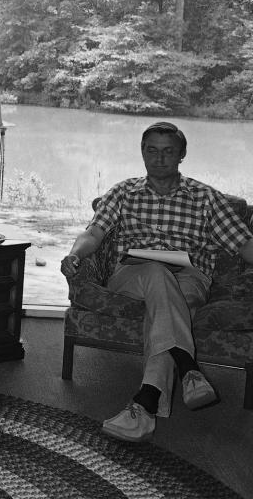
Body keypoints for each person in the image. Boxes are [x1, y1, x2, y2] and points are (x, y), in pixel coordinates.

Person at [60, 121, 253, 442]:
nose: (159, 159)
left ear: (182, 155)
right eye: (152, 151)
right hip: (131, 274)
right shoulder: (124, 192)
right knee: (155, 272)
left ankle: (146, 403)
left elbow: (244, 245)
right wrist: (74, 254)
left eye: (168, 152)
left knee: (169, 304)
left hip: (189, 277)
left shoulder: (206, 198)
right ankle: (186, 363)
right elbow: (94, 232)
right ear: (143, 153)